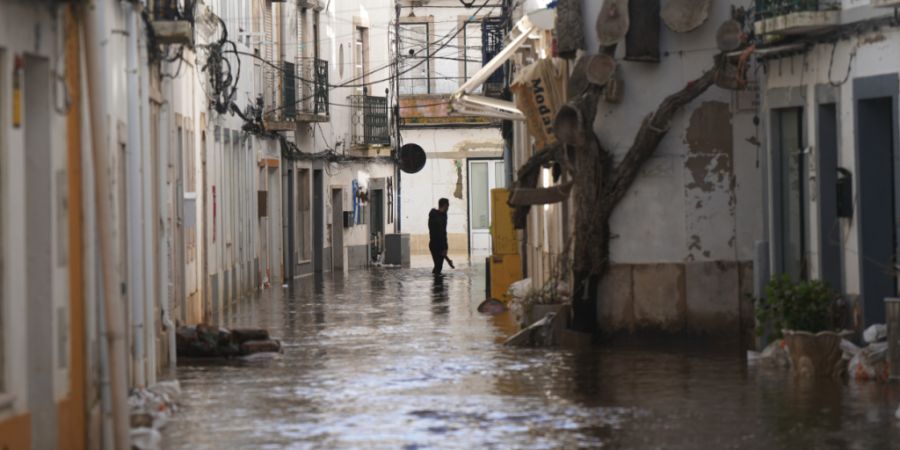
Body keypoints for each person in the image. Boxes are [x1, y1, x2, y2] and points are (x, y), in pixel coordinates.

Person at [428, 198, 450, 275]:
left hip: (436, 244)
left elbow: (443, 232)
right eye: (448, 206)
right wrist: (444, 248)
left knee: (438, 266)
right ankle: (437, 285)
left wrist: (445, 247)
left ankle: (436, 284)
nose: (448, 208)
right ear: (445, 205)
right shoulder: (435, 215)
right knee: (438, 266)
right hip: (436, 244)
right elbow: (440, 232)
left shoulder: (443, 216)